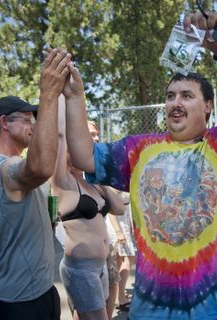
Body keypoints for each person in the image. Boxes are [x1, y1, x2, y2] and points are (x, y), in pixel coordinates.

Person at [64, 9, 217, 320]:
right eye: (170, 96)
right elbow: (84, 157)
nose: (175, 102)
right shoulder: (138, 149)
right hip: (152, 309)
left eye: (187, 96)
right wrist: (75, 99)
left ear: (207, 106)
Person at [0, 48, 71, 320]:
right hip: (24, 302)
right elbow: (40, 168)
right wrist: (49, 93)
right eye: (28, 119)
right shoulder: (4, 168)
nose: (33, 125)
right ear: (4, 123)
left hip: (13, 293)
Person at [51, 95, 124, 320]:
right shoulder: (62, 181)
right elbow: (62, 135)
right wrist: (64, 95)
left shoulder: (90, 183)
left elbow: (119, 209)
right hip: (80, 269)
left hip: (99, 265)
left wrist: (99, 178)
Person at [87, 120, 124, 318]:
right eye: (91, 134)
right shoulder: (70, 169)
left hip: (106, 239)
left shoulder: (99, 168)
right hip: (82, 251)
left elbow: (117, 207)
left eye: (96, 134)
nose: (96, 138)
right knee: (86, 302)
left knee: (112, 282)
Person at [113, 192, 135, 311]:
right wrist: (118, 231)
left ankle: (118, 293)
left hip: (125, 218)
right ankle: (120, 297)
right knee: (129, 258)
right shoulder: (114, 180)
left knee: (119, 260)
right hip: (119, 222)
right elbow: (111, 208)